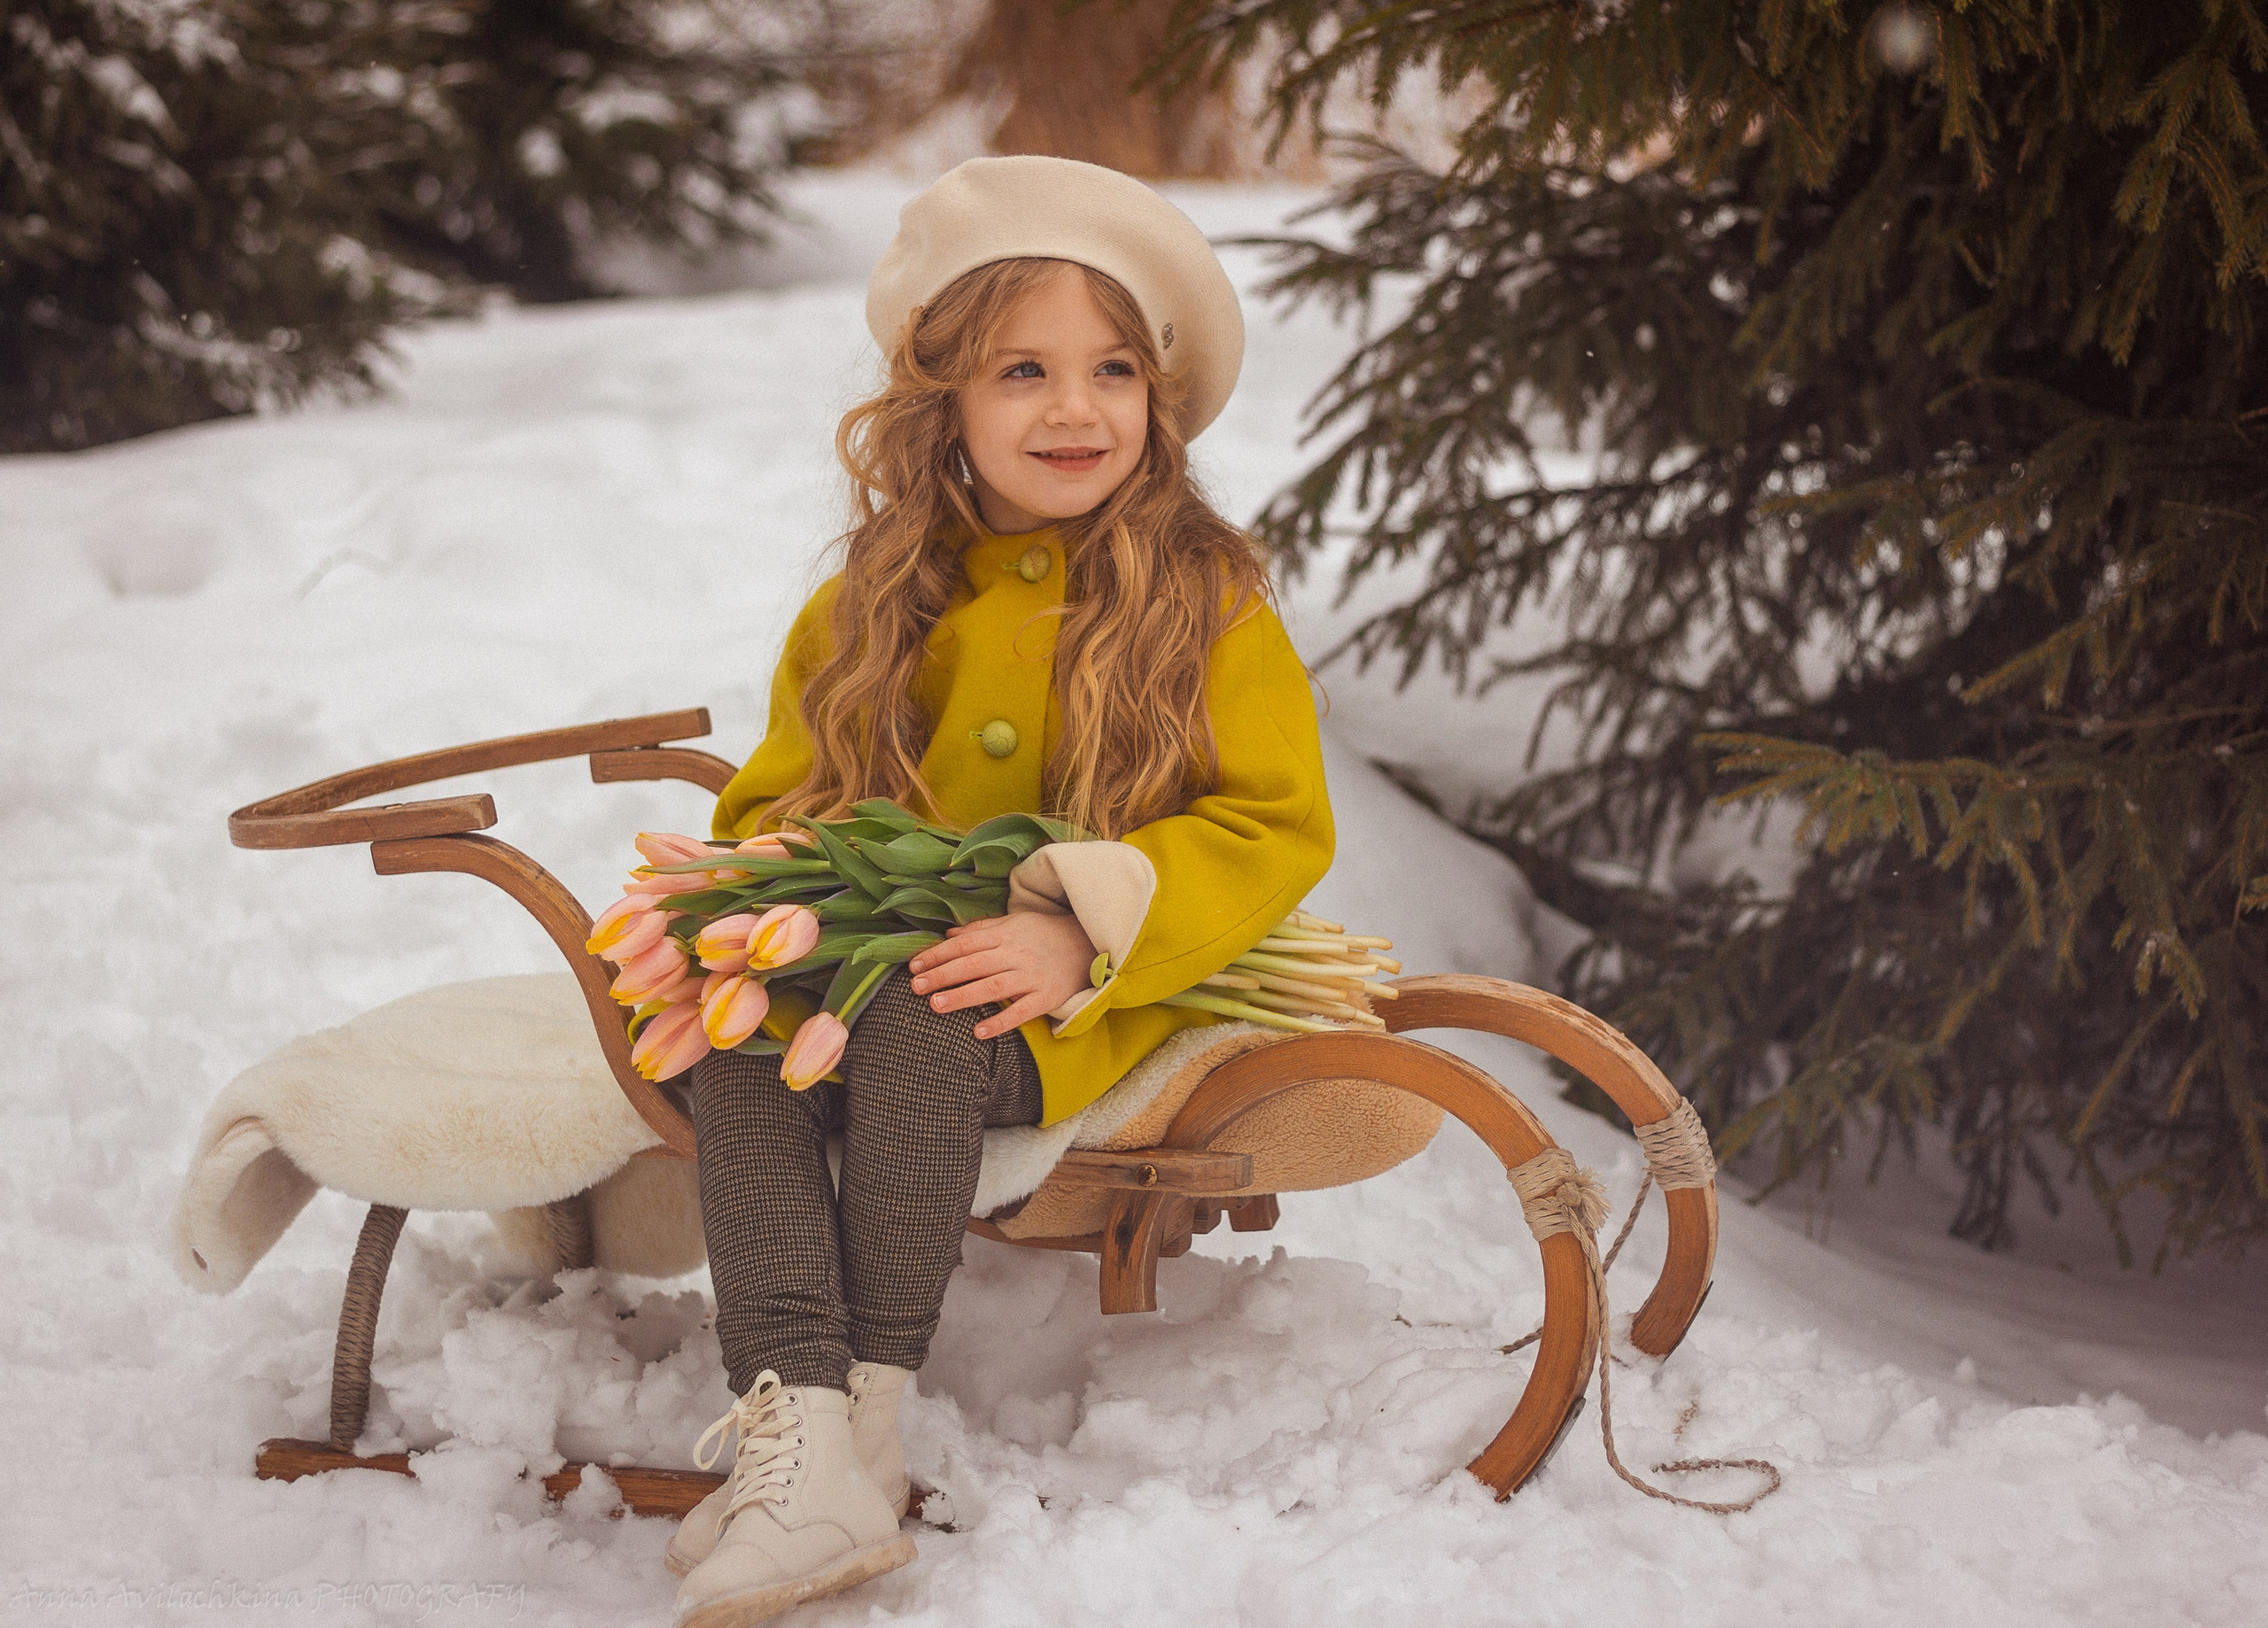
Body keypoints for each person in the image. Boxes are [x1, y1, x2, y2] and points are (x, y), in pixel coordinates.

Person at [666, 155, 1333, 1628]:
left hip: (1086, 994)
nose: (1073, 408)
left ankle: (868, 1421)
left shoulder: (1206, 604)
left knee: (926, 1017)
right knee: (742, 1029)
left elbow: (1275, 824)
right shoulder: (870, 603)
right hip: (877, 961)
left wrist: (1079, 924)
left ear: (1159, 397)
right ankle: (802, 1430)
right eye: (1023, 370)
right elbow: (780, 795)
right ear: (945, 403)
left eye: (1113, 370)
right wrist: (789, 871)